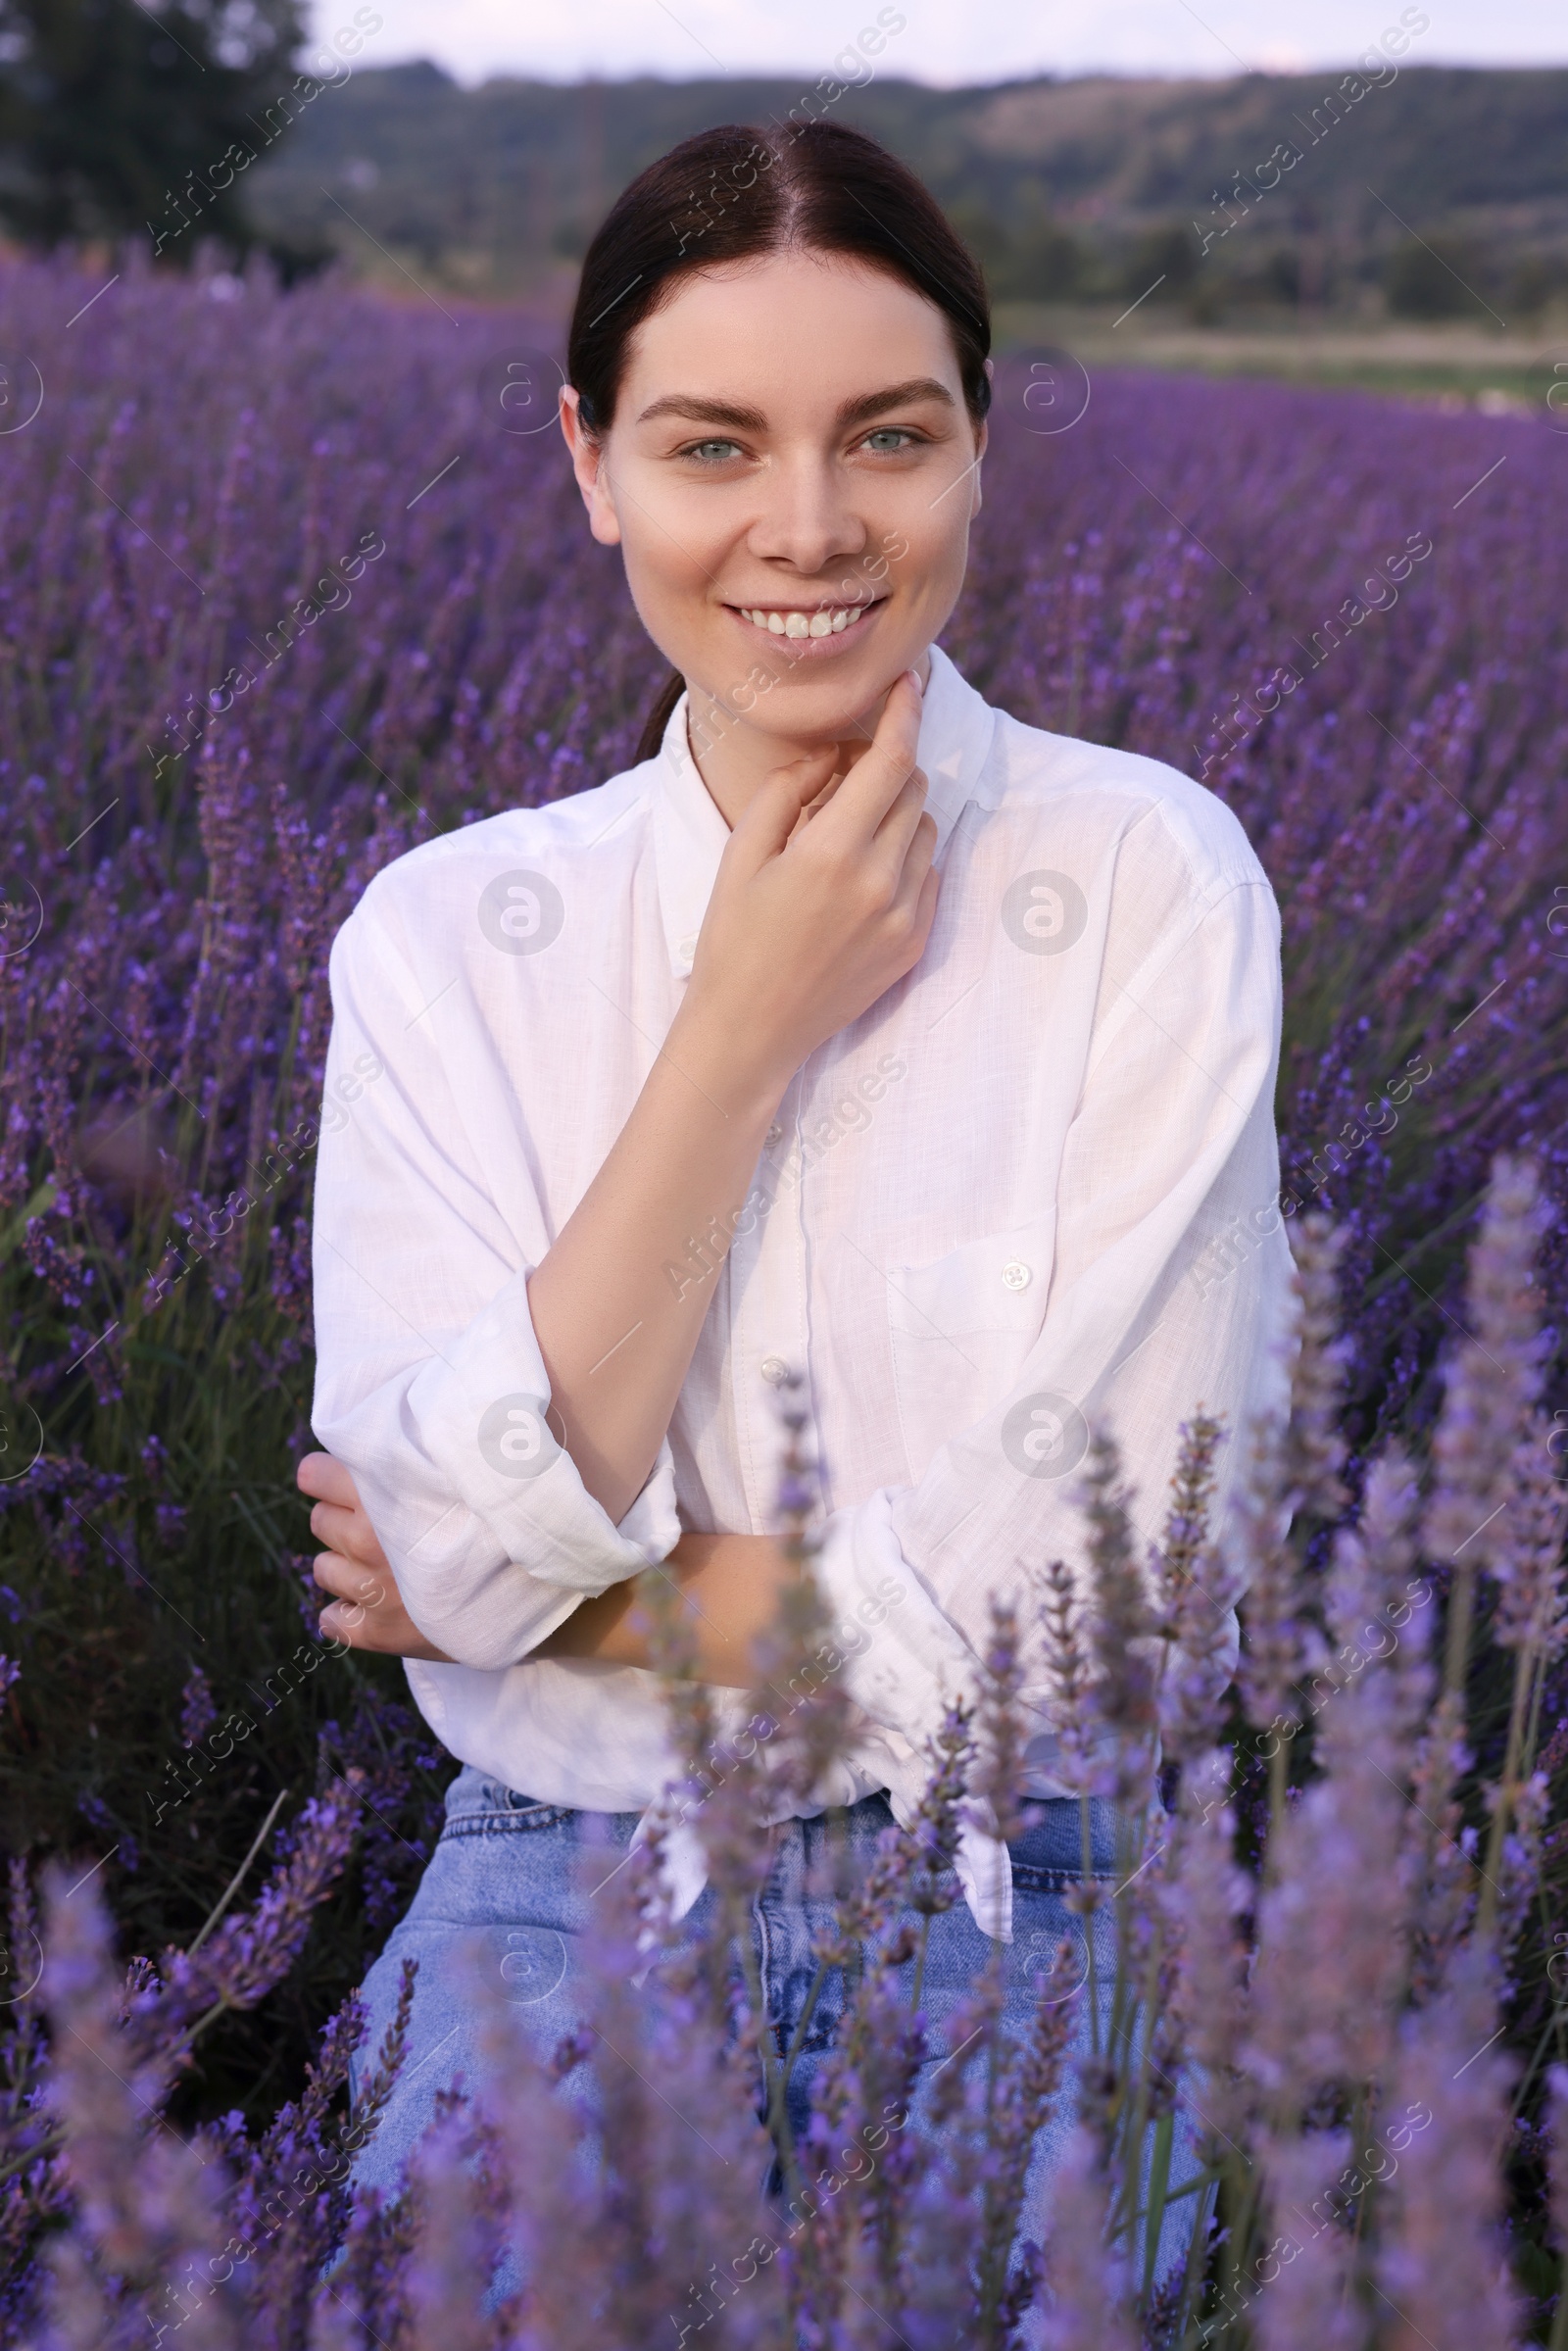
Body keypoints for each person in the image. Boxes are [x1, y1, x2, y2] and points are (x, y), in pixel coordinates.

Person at [297, 117, 1294, 2245]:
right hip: (562, 1885)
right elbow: (433, 1584)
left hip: (1023, 1892)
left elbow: (1126, 1599)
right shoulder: (442, 938)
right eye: (712, 444)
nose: (811, 526)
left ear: (978, 450)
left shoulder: (1142, 879)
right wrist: (735, 1030)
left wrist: (581, 1592)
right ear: (591, 466)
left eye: (888, 436)